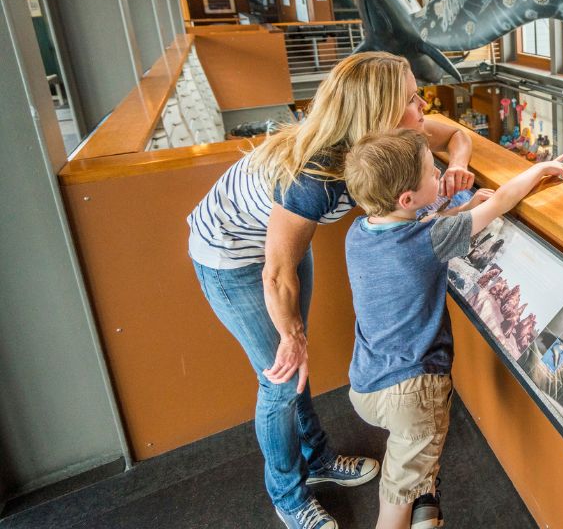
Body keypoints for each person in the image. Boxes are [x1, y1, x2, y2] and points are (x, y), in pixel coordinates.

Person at [187, 52, 475, 529]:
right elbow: (276, 274)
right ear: (379, 109)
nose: (422, 105)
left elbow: (457, 133)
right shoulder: (314, 175)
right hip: (234, 256)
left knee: (298, 369)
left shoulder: (391, 140)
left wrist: (459, 166)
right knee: (281, 378)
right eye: (410, 98)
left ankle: (317, 459)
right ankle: (289, 496)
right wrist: (291, 333)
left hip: (284, 245)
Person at [341, 130, 563, 529]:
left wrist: (454, 216)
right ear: (407, 199)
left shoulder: (358, 233)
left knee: (407, 460)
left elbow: (410, 232)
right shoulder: (429, 238)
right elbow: (502, 201)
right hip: (413, 392)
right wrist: (540, 170)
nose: (441, 177)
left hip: (366, 383)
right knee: (397, 492)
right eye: (433, 173)